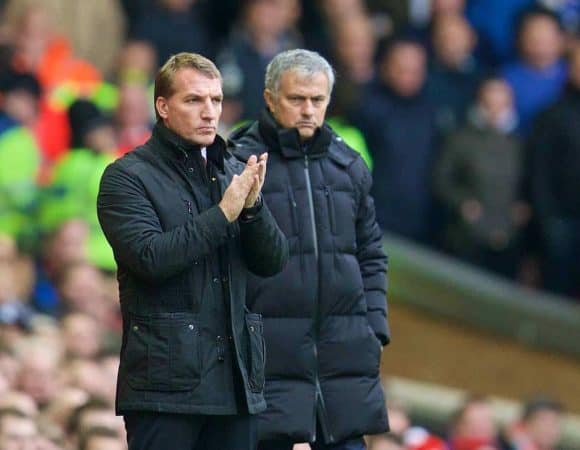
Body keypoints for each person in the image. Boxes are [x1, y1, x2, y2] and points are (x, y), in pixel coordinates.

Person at [96, 52, 289, 450]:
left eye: (215, 101)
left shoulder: (232, 170)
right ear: (162, 107)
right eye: (194, 100)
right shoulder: (126, 177)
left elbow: (273, 262)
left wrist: (251, 209)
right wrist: (224, 214)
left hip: (235, 383)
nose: (209, 112)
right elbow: (151, 258)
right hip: (164, 388)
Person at [231, 49, 389, 450]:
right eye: (296, 99)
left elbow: (371, 253)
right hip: (267, 360)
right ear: (269, 98)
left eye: (316, 100)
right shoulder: (236, 163)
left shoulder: (349, 165)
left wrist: (374, 327)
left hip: (344, 359)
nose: (307, 110)